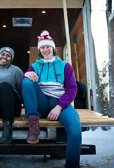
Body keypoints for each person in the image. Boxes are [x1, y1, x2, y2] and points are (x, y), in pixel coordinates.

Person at [22, 30, 82, 168]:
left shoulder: (65, 66)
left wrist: (59, 107)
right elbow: (25, 85)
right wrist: (27, 73)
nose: (45, 49)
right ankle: (33, 121)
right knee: (26, 80)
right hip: (42, 103)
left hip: (61, 103)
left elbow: (72, 89)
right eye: (42, 47)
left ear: (53, 48)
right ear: (39, 50)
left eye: (47, 46)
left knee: (75, 130)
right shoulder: (35, 66)